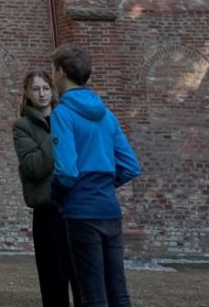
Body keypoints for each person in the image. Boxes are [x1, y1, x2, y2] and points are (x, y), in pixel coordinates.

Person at [49, 45, 141, 307]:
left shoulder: (63, 114)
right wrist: (103, 185)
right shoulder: (107, 114)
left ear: (62, 72)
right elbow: (130, 166)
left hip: (82, 211)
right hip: (109, 209)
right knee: (118, 291)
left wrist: (56, 195)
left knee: (92, 294)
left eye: (54, 70)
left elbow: (66, 170)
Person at [13, 69, 78, 307]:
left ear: (53, 92)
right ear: (28, 94)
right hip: (48, 211)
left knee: (82, 281)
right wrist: (59, 131)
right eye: (36, 89)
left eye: (46, 88)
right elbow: (34, 166)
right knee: (54, 284)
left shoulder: (69, 119)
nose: (41, 94)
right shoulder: (22, 126)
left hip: (75, 209)